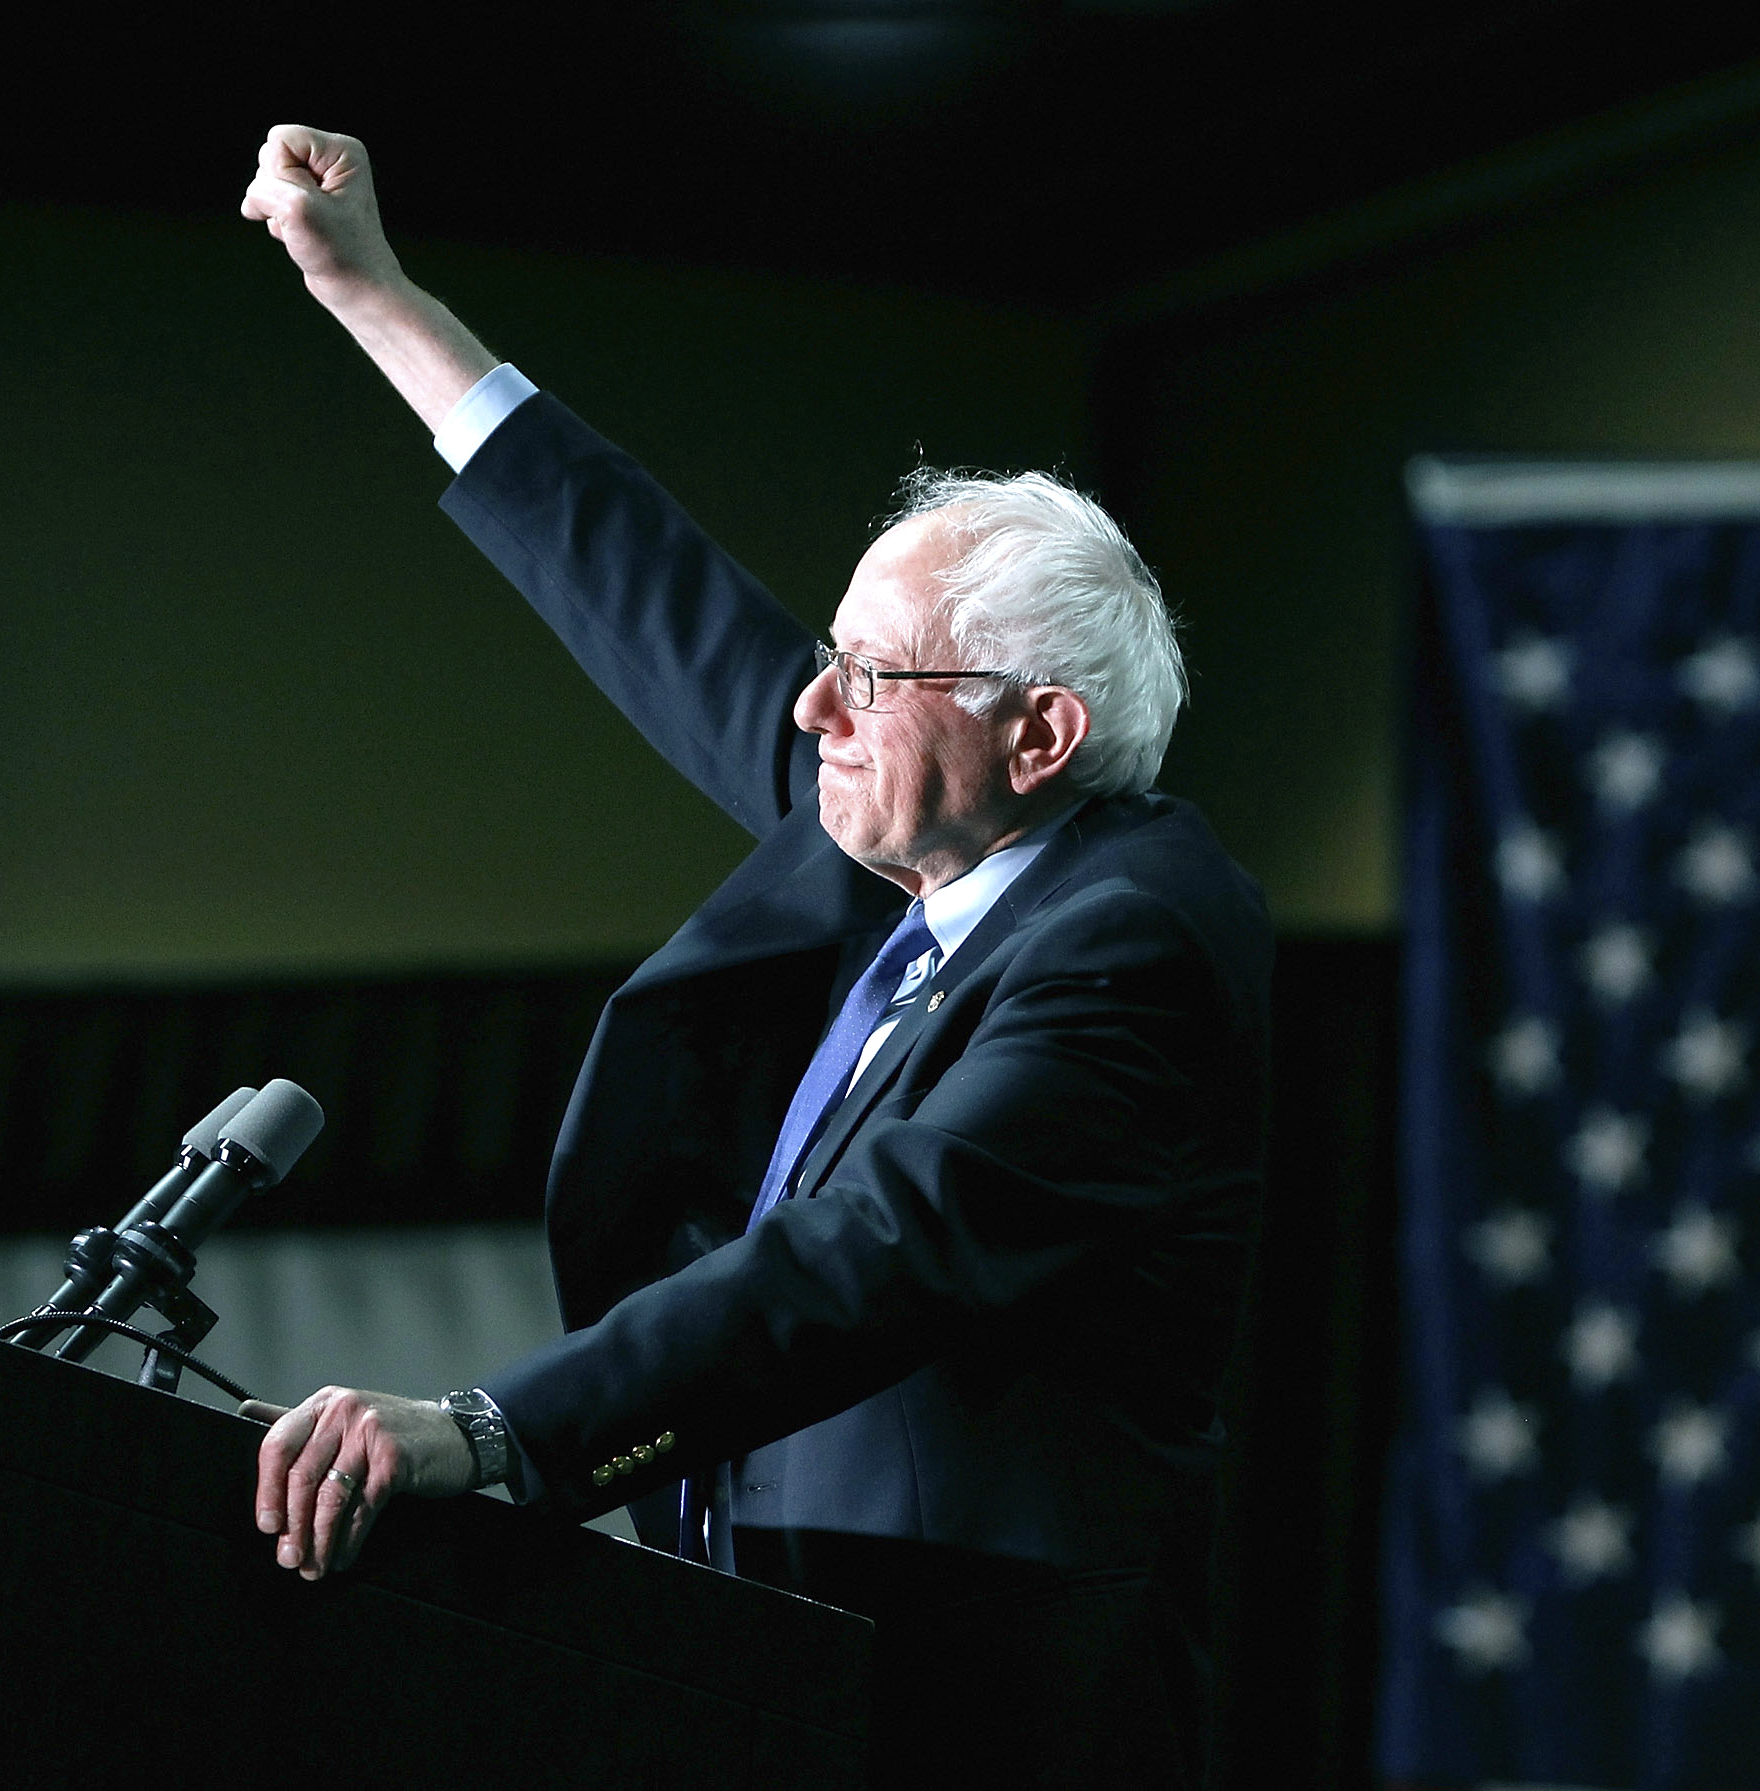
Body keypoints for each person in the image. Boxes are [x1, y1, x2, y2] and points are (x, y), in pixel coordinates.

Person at [233, 124, 1270, 1787]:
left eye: (870, 673)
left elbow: (875, 1250)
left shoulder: (1129, 938)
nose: (811, 705)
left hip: (984, 1706)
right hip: (788, 1658)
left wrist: (493, 1431)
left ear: (1040, 734)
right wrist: (375, 293)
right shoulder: (921, 822)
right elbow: (649, 594)